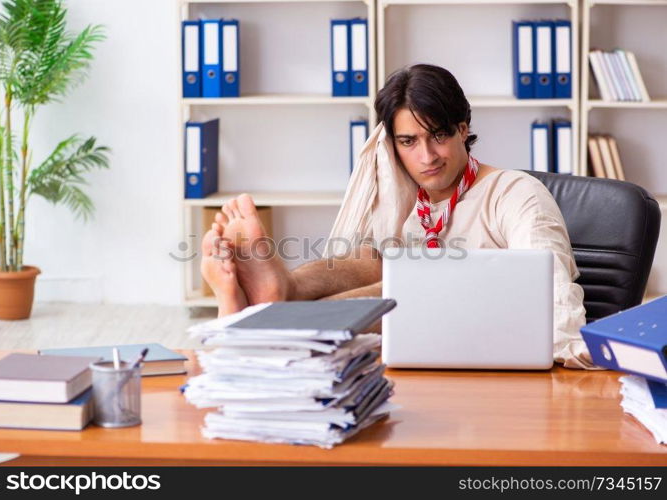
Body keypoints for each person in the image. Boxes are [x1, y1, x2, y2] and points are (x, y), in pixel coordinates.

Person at [201, 64, 596, 369]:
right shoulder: (410, 202)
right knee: (376, 260)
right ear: (392, 145)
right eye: (408, 142)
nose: (427, 157)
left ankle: (273, 314)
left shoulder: (514, 192)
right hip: (417, 344)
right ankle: (283, 290)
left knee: (407, 285)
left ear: (463, 129)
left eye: (438, 135)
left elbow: (553, 289)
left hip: (482, 336)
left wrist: (570, 353)